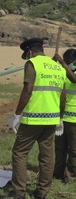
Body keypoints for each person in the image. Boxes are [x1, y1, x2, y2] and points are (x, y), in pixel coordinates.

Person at [0, 38, 66, 199]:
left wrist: (17, 114)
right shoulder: (58, 67)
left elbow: (28, 90)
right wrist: (60, 117)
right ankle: (42, 193)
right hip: (51, 119)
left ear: (30, 52)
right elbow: (63, 96)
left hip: (33, 118)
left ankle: (19, 192)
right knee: (47, 156)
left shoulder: (32, 64)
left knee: (20, 152)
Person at [53, 48, 76, 183]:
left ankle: (70, 177)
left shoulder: (70, 73)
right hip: (61, 119)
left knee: (73, 150)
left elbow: (74, 80)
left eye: (69, 62)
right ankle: (58, 173)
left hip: (74, 120)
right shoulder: (64, 73)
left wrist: (63, 63)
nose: (67, 64)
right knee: (60, 148)